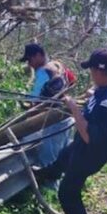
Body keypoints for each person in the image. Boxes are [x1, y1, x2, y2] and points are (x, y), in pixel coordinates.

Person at [36, 49, 107, 214]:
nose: (91, 75)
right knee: (65, 154)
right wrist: (91, 96)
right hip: (82, 148)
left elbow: (88, 137)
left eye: (92, 71)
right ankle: (46, 175)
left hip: (91, 153)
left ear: (99, 71)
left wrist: (74, 108)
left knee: (68, 194)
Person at [19, 43, 75, 173]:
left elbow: (34, 98)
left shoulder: (43, 71)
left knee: (48, 158)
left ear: (38, 55)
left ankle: (50, 191)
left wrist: (27, 102)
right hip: (66, 116)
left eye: (30, 59)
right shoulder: (58, 65)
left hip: (52, 121)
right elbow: (72, 81)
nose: (29, 64)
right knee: (62, 157)